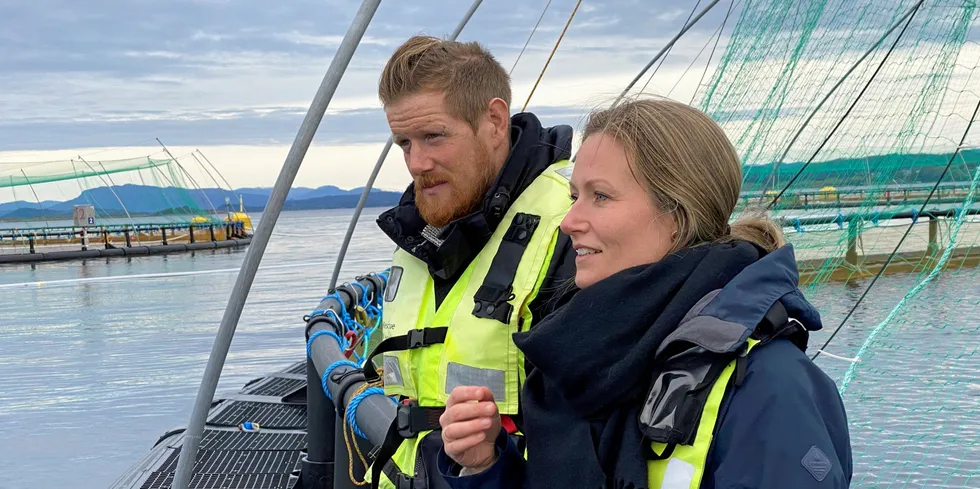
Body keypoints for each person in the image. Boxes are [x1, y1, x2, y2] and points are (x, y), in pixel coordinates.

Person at [436, 98, 853, 489]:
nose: (568, 222)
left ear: (677, 213)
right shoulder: (572, 358)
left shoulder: (770, 387)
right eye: (574, 197)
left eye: (600, 196)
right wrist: (486, 466)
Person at [364, 35, 579, 489]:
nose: (416, 163)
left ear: (495, 121)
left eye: (434, 136)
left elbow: (581, 437)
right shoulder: (420, 224)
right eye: (403, 142)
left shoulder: (573, 227)